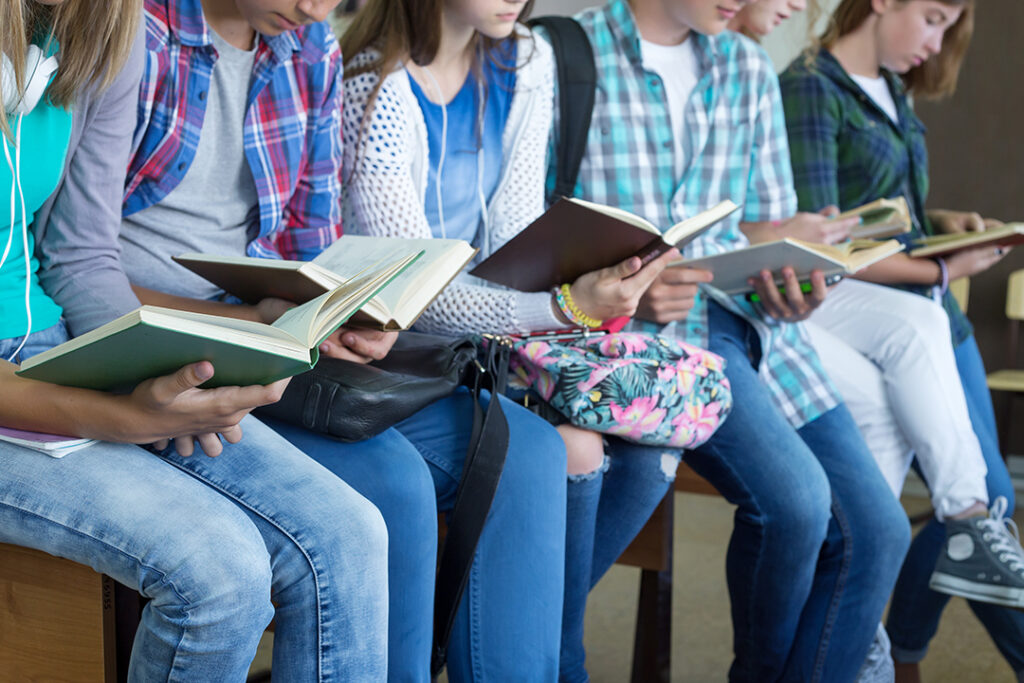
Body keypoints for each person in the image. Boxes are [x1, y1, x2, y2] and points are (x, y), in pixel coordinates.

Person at [40, 0, 570, 678]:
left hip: (265, 335)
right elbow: (77, 262)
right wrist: (256, 324)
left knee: (526, 448)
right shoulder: (138, 31)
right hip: (164, 335)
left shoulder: (310, 45)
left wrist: (337, 310)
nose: (318, 9)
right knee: (394, 484)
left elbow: (309, 246)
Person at [2, 1, 389, 681]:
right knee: (222, 573)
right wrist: (125, 415)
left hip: (50, 346)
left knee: (349, 532)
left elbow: (83, 255)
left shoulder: (103, 27)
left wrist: (165, 371)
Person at [549, 0, 914, 680]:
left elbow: (762, 227)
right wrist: (625, 291)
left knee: (880, 531)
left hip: (752, 326)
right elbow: (528, 236)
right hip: (652, 346)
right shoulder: (566, 54)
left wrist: (792, 282)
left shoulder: (745, 66)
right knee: (798, 507)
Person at [338, 2, 700, 679]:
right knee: (574, 449)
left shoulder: (523, 59)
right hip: (411, 353)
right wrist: (563, 306)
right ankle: (552, 656)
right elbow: (419, 292)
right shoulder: (375, 85)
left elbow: (515, 233)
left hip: (496, 341)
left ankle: (543, 645)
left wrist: (587, 283)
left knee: (654, 452)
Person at [780, 0, 1024, 679]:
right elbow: (823, 244)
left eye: (949, 27)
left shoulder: (892, 89)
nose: (937, 40)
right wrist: (943, 264)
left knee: (978, 495)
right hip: (874, 309)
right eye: (934, 17)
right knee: (965, 497)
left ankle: (888, 640)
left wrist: (939, 225)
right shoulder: (810, 86)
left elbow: (886, 216)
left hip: (929, 312)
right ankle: (886, 639)